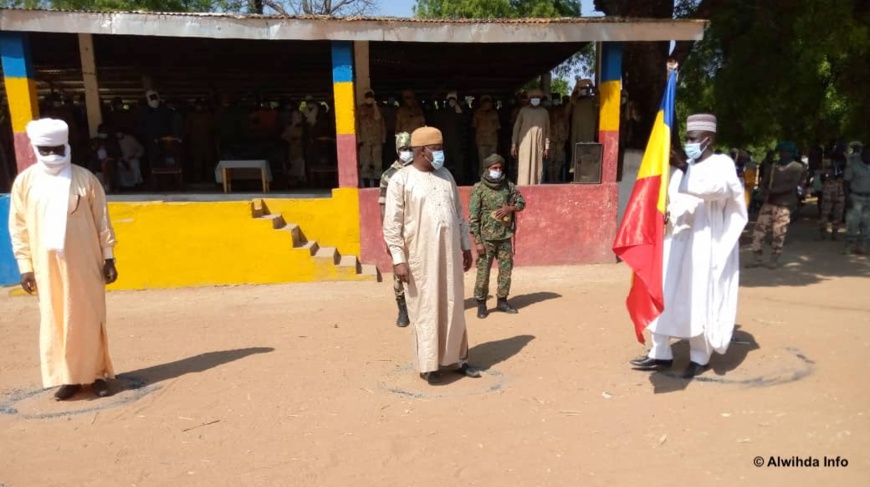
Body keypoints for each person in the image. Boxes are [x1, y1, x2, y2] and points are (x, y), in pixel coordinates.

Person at [629, 114, 747, 379]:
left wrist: (685, 166)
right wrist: (665, 215)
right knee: (662, 294)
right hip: (676, 241)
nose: (689, 143)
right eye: (687, 138)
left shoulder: (722, 164)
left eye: (693, 139)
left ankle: (699, 357)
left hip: (704, 244)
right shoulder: (681, 170)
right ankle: (660, 353)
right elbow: (675, 201)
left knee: (698, 298)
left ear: (709, 139)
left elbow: (716, 190)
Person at [8, 118, 118, 401]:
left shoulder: (85, 179)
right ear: (36, 149)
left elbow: (101, 221)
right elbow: (18, 227)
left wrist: (108, 258)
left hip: (85, 264)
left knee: (89, 318)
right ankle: (67, 378)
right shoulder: (25, 182)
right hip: (46, 268)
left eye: (57, 149)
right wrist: (25, 267)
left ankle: (95, 375)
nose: (52, 155)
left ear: (66, 146)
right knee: (56, 318)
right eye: (46, 150)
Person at [382, 126, 481, 385]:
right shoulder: (400, 180)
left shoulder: (446, 175)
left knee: (454, 306)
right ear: (421, 151)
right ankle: (429, 365)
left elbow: (458, 213)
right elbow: (392, 226)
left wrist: (465, 245)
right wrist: (398, 260)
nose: (440, 154)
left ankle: (458, 359)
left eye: (441, 149)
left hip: (449, 255)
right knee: (426, 308)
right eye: (436, 149)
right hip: (419, 257)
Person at [469, 154, 526, 319]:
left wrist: (511, 208)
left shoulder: (508, 186)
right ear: (487, 169)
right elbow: (473, 218)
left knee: (506, 271)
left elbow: (522, 203)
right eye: (494, 168)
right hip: (486, 239)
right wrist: (478, 242)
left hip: (505, 236)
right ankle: (481, 304)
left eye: (500, 168)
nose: (498, 171)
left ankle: (502, 300)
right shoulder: (479, 188)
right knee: (483, 273)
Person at [747, 141, 807, 268]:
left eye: (785, 152)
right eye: (781, 152)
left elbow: (791, 186)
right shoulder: (773, 166)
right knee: (759, 231)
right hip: (769, 202)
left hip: (784, 204)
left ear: (791, 154)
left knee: (778, 233)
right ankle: (757, 257)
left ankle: (774, 258)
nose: (783, 154)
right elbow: (765, 181)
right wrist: (762, 191)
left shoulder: (797, 167)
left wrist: (771, 191)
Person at [378, 132, 413, 328]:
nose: (406, 152)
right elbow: (382, 205)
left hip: (417, 230)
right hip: (398, 231)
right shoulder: (389, 175)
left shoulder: (421, 171)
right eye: (403, 149)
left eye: (409, 149)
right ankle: (402, 309)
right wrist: (388, 235)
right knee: (399, 271)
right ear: (397, 150)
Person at [511, 88, 550, 185]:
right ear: (529, 99)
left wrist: (547, 147)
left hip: (538, 145)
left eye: (537, 97)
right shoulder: (523, 111)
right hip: (524, 144)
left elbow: (547, 130)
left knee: (537, 168)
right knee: (524, 168)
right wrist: (513, 144)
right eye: (533, 97)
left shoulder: (544, 112)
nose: (535, 99)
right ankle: (522, 189)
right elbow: (516, 128)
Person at [818, 142, 848, 240]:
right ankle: (823, 233)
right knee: (825, 212)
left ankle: (834, 233)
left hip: (840, 189)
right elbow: (822, 176)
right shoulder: (828, 160)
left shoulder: (846, 160)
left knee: (838, 213)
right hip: (830, 188)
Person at [357, 88, 386, 188]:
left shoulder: (378, 109)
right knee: (365, 162)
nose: (369, 98)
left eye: (371, 96)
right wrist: (359, 138)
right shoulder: (360, 109)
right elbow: (357, 125)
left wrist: (383, 138)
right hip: (365, 140)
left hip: (376, 140)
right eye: (367, 96)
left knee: (378, 163)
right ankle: (366, 184)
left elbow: (382, 124)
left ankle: (377, 184)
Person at [844, 146, 870, 255]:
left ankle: (863, 245)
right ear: (862, 154)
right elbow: (846, 182)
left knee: (867, 223)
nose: (868, 156)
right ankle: (851, 244)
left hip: (869, 199)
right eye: (866, 153)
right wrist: (847, 197)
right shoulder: (854, 165)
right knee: (853, 223)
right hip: (855, 197)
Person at [473, 95, 501, 174]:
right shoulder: (477, 113)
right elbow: (474, 126)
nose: (487, 104)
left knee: (493, 160)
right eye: (485, 102)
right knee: (482, 161)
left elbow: (498, 127)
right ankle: (483, 177)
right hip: (481, 141)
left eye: (488, 102)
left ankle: (492, 176)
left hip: (492, 141)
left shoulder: (494, 113)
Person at [548, 94, 570, 183]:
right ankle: (550, 178)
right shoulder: (549, 111)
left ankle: (556, 177)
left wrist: (566, 135)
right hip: (551, 139)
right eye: (554, 99)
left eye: (557, 99)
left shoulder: (562, 110)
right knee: (551, 160)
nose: (556, 101)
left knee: (559, 160)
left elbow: (566, 124)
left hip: (561, 138)